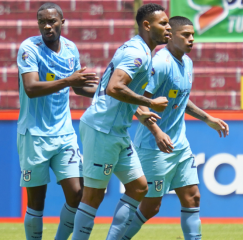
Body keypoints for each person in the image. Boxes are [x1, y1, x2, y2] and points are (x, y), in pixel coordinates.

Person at [123, 16, 229, 240]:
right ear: (171, 36)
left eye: (193, 35)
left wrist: (206, 118)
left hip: (179, 145)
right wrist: (157, 131)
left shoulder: (187, 62)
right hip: (154, 147)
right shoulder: (160, 63)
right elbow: (138, 103)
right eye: (186, 35)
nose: (191, 40)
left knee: (193, 197)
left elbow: (180, 99)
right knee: (151, 206)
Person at [71, 3, 171, 240]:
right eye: (163, 23)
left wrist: (138, 110)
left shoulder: (142, 51)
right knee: (93, 196)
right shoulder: (137, 53)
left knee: (138, 187)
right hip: (102, 128)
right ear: (147, 25)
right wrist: (149, 103)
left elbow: (115, 90)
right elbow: (114, 87)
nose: (168, 27)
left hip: (117, 130)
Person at [16, 3, 99, 240]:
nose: (47, 26)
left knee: (77, 193)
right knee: (36, 202)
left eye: (52, 21)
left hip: (64, 134)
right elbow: (31, 88)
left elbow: (78, 87)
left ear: (62, 22)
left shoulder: (71, 49)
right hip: (34, 135)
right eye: (42, 21)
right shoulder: (29, 48)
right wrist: (69, 79)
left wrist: (108, 92)